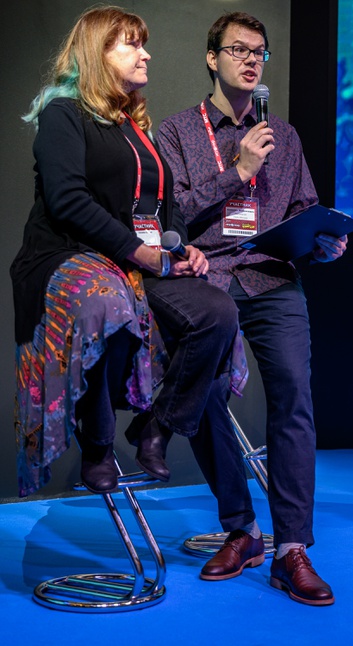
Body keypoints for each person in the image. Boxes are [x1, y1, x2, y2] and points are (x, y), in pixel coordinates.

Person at [10, 6, 249, 501]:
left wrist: (179, 247)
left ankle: (156, 428)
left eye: (144, 44)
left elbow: (165, 206)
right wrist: (139, 252)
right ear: (98, 54)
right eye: (132, 44)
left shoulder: (133, 124)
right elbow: (67, 201)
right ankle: (97, 444)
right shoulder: (63, 113)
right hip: (70, 255)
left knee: (218, 311)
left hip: (134, 263)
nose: (146, 55)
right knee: (107, 303)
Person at [157, 11, 348, 606]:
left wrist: (321, 241)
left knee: (294, 395)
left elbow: (303, 208)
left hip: (271, 277)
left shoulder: (283, 136)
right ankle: (241, 529)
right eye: (238, 49)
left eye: (259, 52)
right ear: (212, 58)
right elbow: (170, 216)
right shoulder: (176, 132)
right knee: (205, 391)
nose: (251, 60)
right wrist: (238, 170)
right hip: (207, 276)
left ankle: (291, 548)